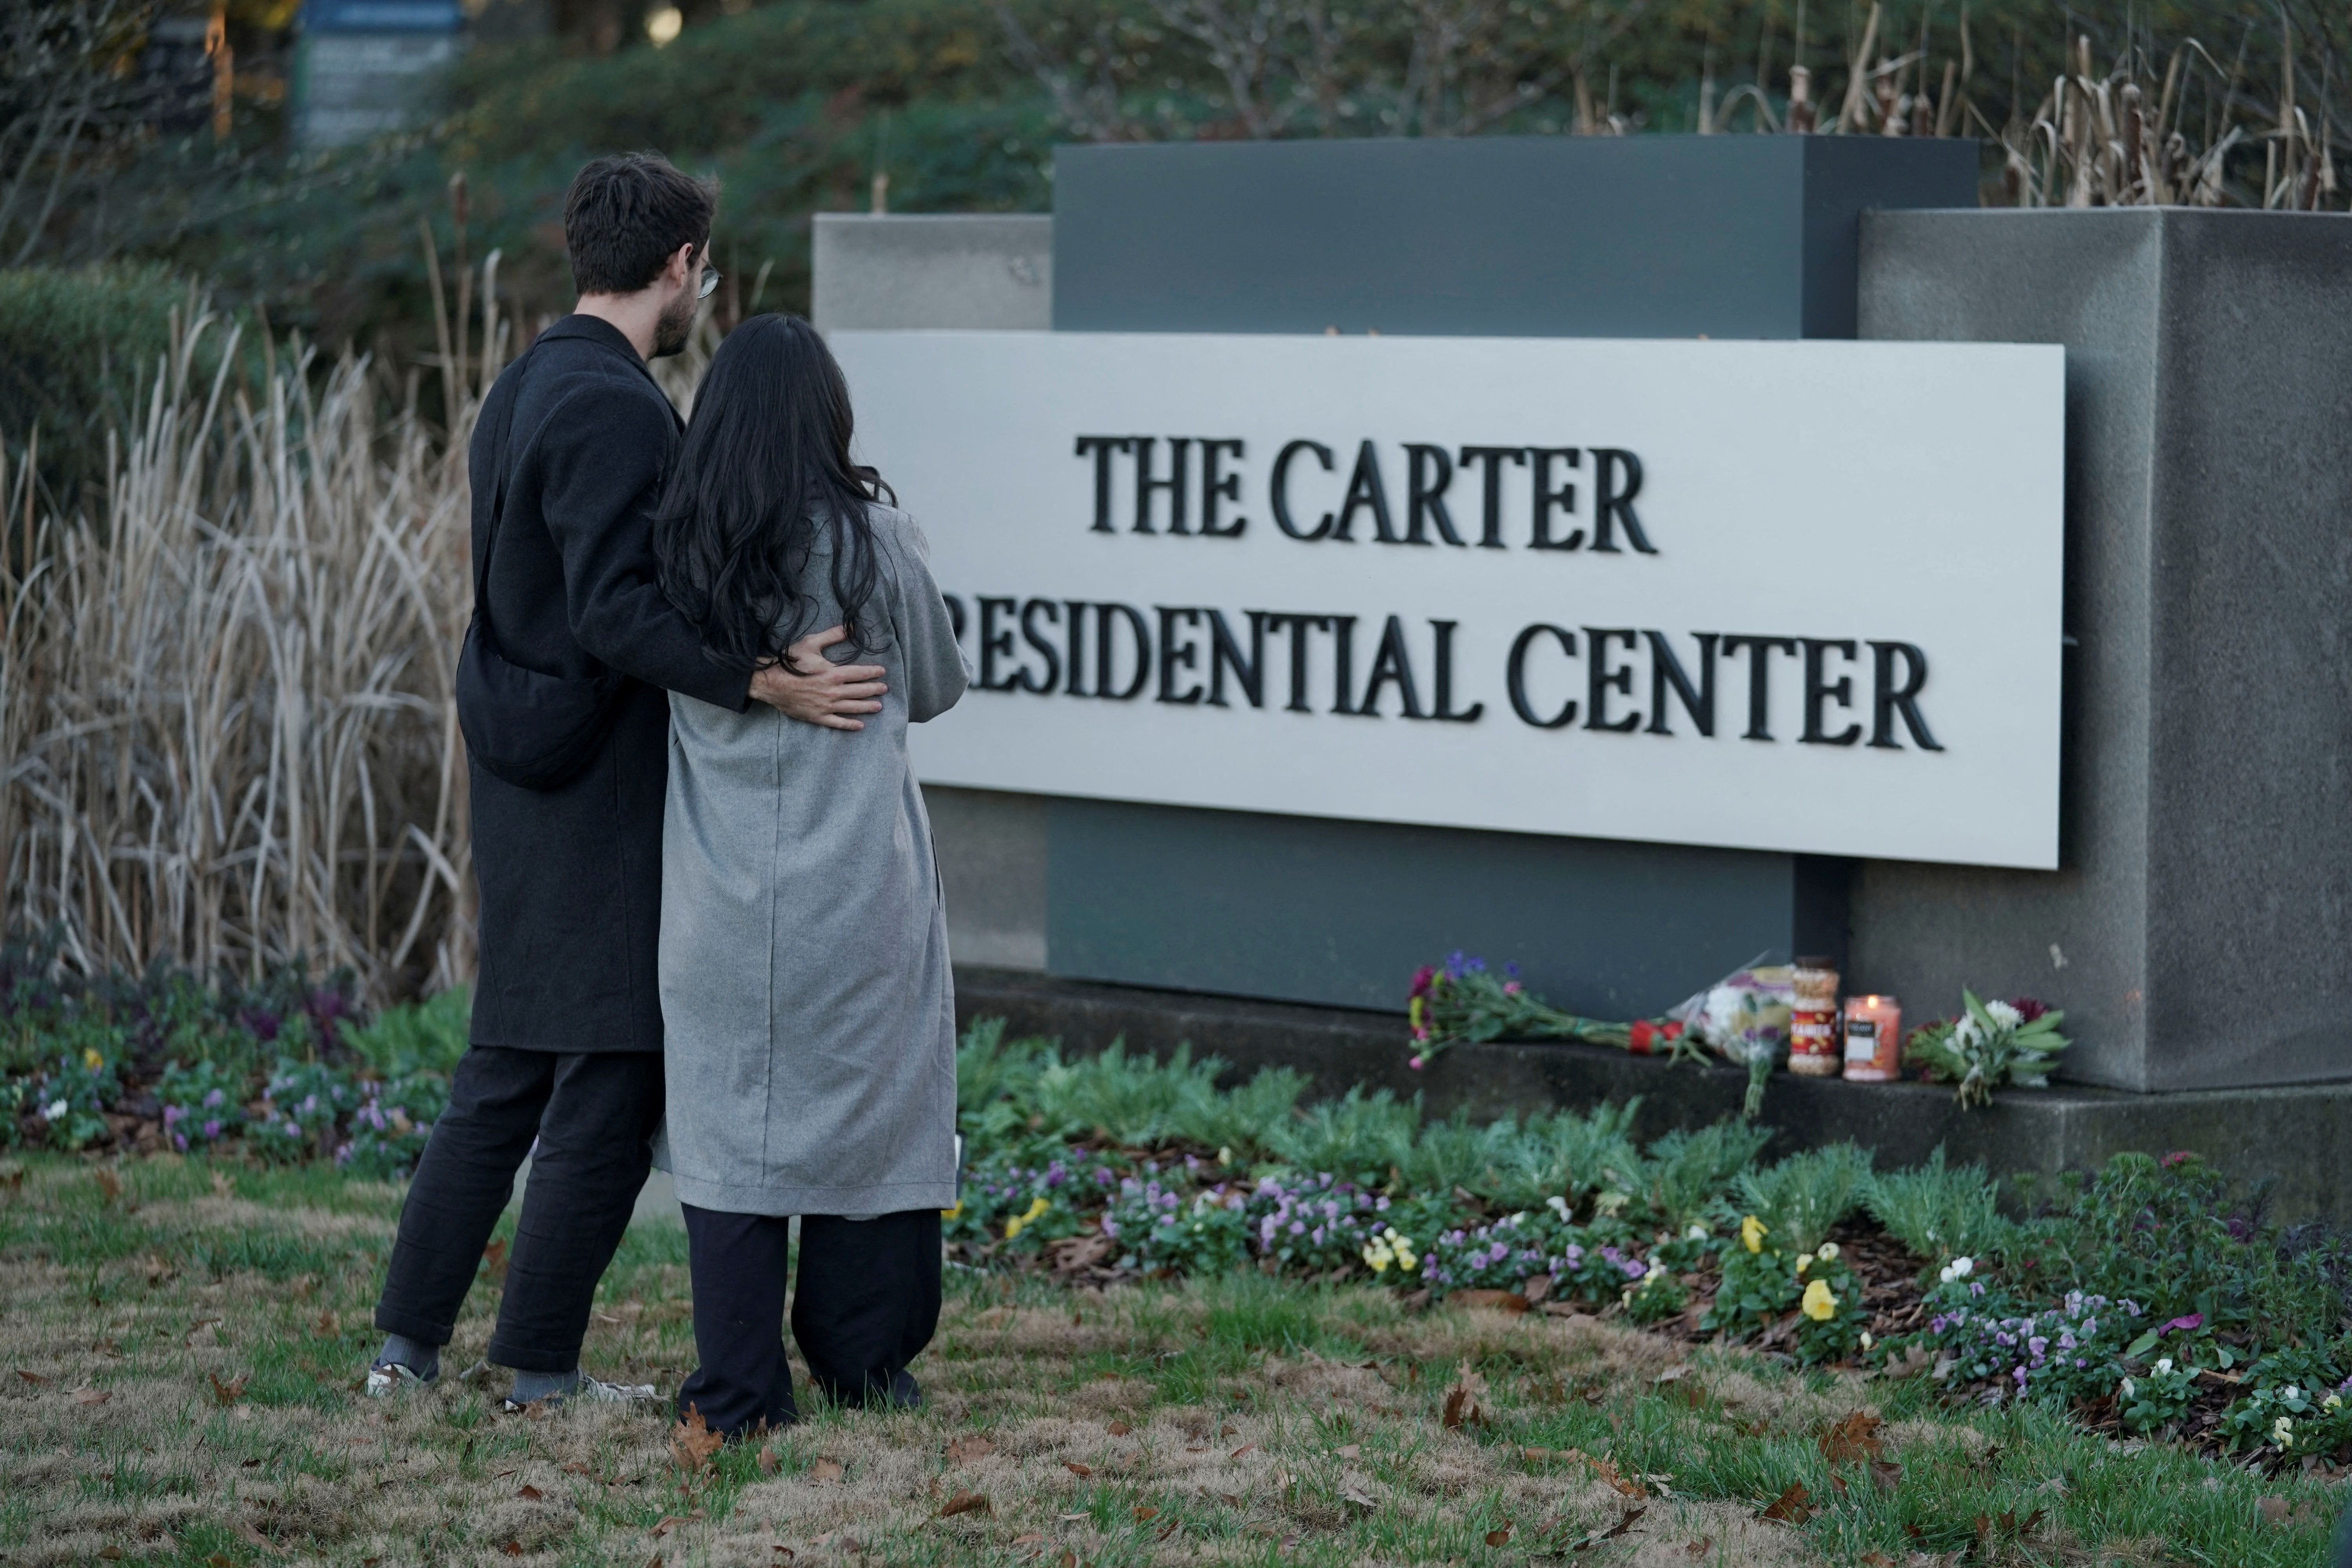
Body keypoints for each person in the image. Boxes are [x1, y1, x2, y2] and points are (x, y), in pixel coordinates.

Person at [366, 154, 885, 1410]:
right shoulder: (616, 407)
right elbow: (612, 612)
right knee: (607, 1072)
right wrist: (761, 678)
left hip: (524, 767)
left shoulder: (527, 383)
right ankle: (538, 1364)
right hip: (594, 788)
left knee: (505, 1071)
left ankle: (407, 1351)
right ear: (680, 267)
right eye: (704, 265)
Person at [650, 313, 969, 1436]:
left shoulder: (678, 552)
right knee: (875, 1117)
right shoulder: (877, 543)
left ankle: (738, 1391)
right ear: (829, 415)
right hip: (857, 893)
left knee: (731, 1134)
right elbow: (934, 687)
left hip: (720, 897)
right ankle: (864, 1360)